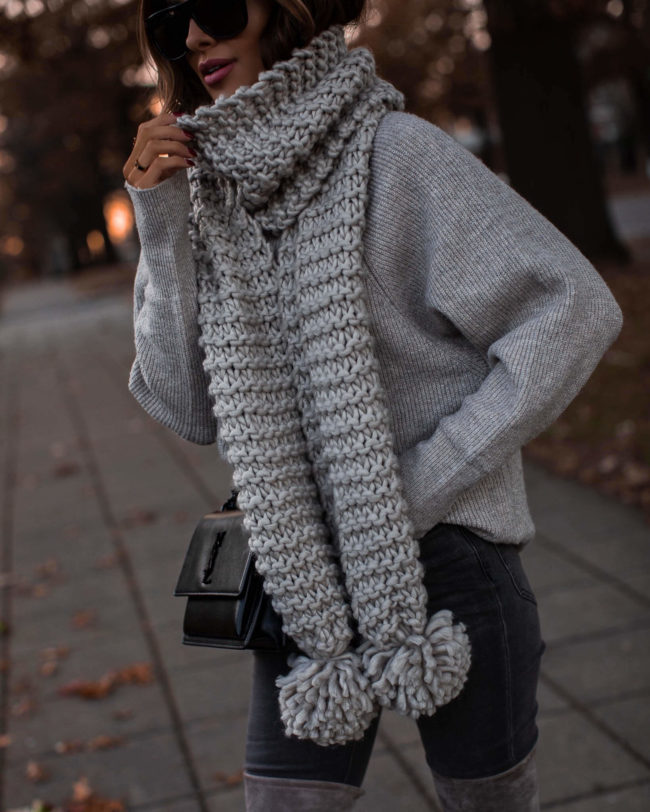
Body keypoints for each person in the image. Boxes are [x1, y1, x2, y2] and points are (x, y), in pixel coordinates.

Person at [123, 2, 623, 810]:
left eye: (214, 2)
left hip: (449, 562)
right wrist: (160, 222)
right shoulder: (198, 197)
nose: (192, 37)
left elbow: (572, 309)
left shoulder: (397, 155)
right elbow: (187, 408)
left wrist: (423, 482)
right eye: (169, 19)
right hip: (300, 575)